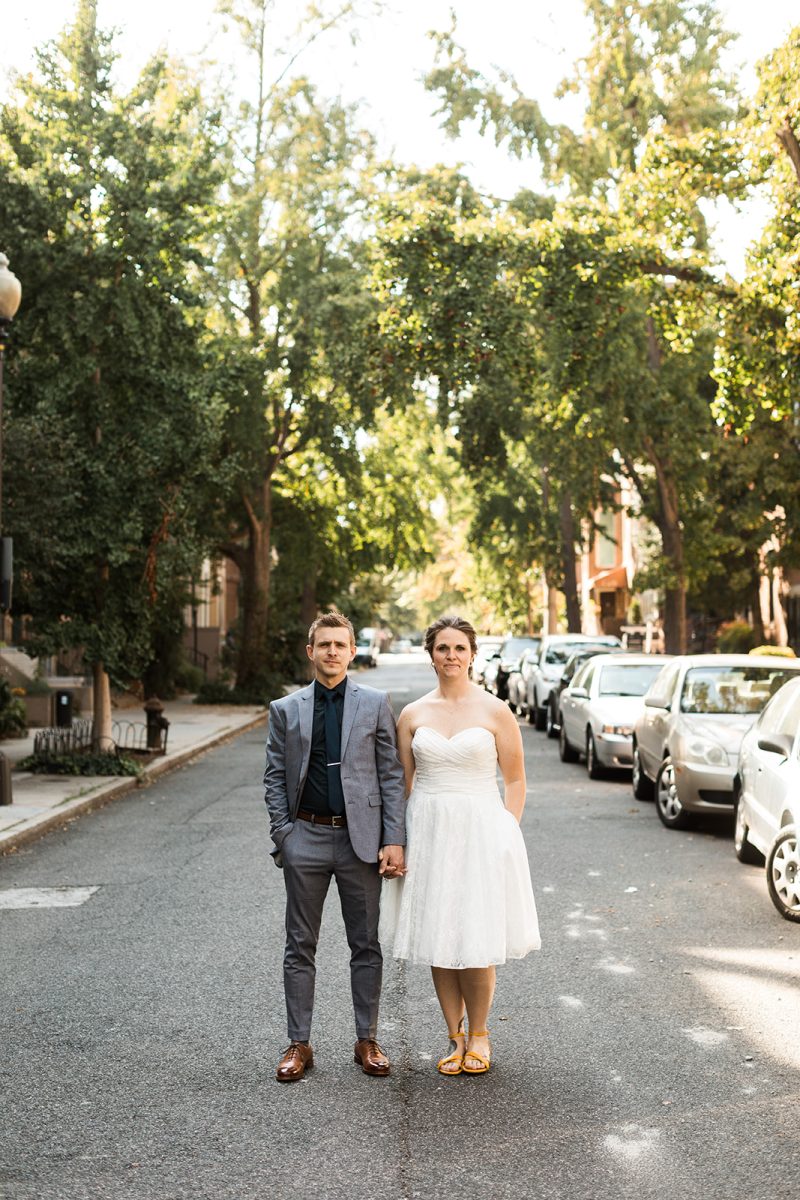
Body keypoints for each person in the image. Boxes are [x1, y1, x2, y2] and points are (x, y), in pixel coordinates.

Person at [380, 614, 540, 1077]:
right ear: (431, 654)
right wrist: (396, 843)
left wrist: (506, 833)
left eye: (459, 648)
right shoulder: (413, 715)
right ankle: (453, 1036)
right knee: (438, 934)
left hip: (480, 832)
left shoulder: (495, 711)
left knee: (476, 935)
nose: (451, 656)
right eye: (442, 648)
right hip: (428, 831)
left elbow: (515, 781)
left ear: (472, 655)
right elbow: (402, 787)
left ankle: (481, 1034)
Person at [264, 610, 407, 1082]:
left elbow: (390, 775)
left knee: (365, 943)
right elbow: (274, 778)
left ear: (351, 652)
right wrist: (284, 832)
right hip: (304, 836)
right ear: (311, 651)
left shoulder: (374, 702)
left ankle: (366, 1039)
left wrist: (393, 838)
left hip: (359, 841)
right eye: (323, 644)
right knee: (299, 944)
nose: (331, 652)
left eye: (339, 645)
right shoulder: (286, 709)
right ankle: (298, 1044)